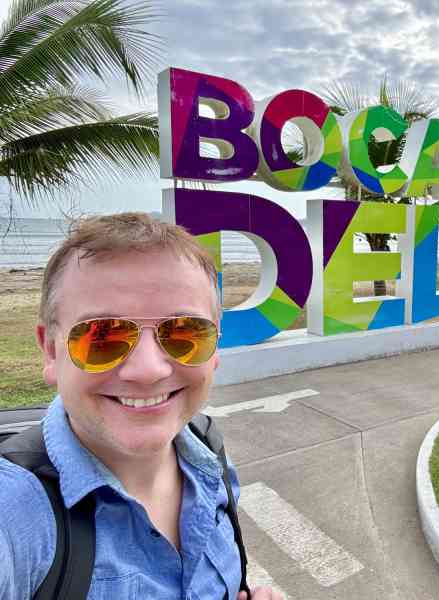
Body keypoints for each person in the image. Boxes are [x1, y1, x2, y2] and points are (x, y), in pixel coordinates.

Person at [0, 213, 282, 599]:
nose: (148, 370)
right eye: (102, 335)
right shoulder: (15, 515)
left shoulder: (212, 460)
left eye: (185, 332)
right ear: (51, 350)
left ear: (214, 347)